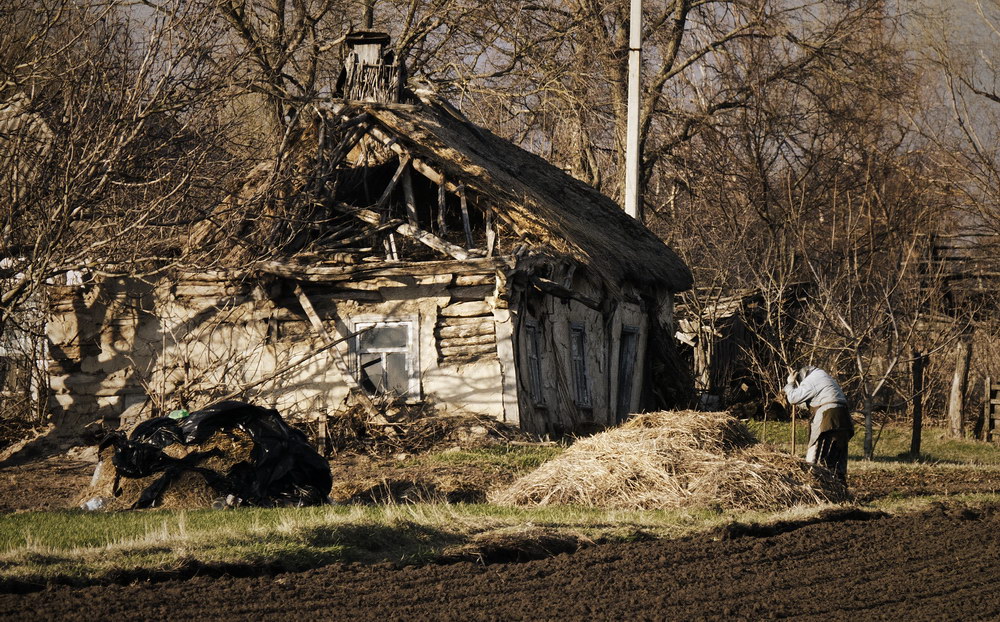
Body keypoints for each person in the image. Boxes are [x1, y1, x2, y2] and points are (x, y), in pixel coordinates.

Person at [783, 366, 855, 482]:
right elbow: (814, 400)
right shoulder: (825, 378)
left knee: (815, 460)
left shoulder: (811, 380)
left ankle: (813, 486)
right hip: (844, 420)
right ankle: (840, 490)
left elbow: (793, 398)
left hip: (828, 419)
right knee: (837, 462)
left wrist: (790, 384)